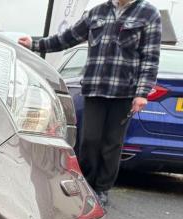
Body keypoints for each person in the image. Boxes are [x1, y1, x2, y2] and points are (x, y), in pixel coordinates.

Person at [19, 0, 162, 207]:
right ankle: (86, 185)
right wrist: (34, 44)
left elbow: (150, 58)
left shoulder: (149, 14)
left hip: (124, 92)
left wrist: (142, 93)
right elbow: (68, 38)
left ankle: (102, 189)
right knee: (90, 140)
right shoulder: (97, 12)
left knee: (112, 144)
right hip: (95, 88)